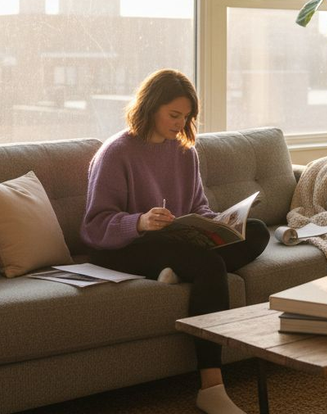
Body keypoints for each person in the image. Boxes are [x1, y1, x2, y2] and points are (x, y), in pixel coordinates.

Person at [81, 69, 268, 414]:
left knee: (256, 231)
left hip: (176, 242)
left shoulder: (185, 152)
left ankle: (181, 271)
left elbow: (197, 207)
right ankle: (211, 387)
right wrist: (140, 221)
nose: (181, 124)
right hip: (123, 248)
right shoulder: (116, 152)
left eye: (186, 117)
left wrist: (220, 222)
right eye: (174, 115)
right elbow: (94, 226)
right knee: (209, 264)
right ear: (151, 107)